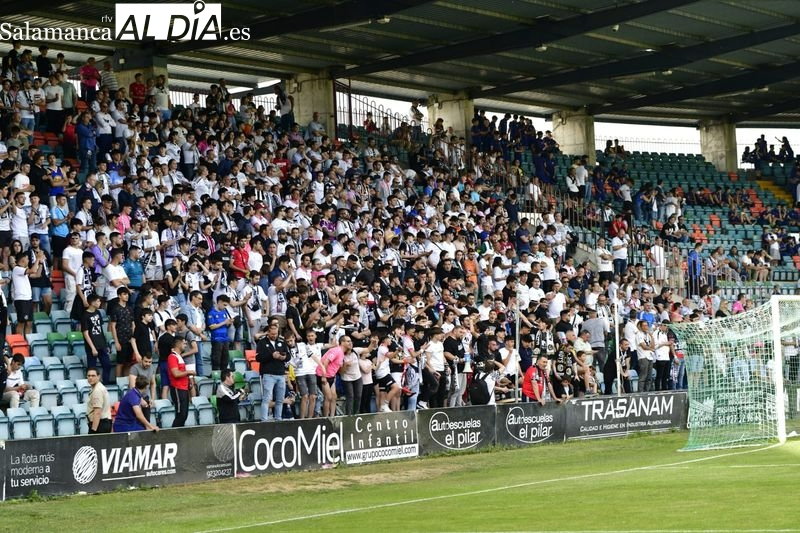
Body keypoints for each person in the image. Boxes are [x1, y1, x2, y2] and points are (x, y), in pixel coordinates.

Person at [258, 322, 289, 421]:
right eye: (272, 334)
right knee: (267, 398)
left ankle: (278, 419)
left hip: (281, 374)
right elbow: (258, 358)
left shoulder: (282, 342)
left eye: (276, 334)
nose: (274, 336)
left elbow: (288, 356)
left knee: (280, 399)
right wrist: (271, 356)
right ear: (268, 332)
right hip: (268, 374)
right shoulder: (262, 342)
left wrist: (283, 357)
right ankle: (264, 420)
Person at [81, 293, 113, 384]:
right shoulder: (85, 315)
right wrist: (92, 348)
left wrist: (105, 344)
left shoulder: (98, 312)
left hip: (101, 344)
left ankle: (105, 384)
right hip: (92, 346)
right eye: (98, 301)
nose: (100, 303)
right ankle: (92, 385)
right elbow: (85, 333)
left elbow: (101, 329)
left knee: (107, 364)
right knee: (92, 368)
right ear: (92, 302)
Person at [167, 334, 194, 427]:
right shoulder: (172, 357)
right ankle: (174, 433)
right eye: (184, 343)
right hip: (177, 388)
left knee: (184, 414)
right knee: (181, 414)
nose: (185, 345)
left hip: (183, 388)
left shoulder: (179, 357)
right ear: (178, 344)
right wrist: (188, 372)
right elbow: (176, 373)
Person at [207, 294, 232, 372]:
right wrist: (224, 322)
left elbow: (225, 325)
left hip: (225, 338)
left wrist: (229, 323)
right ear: (219, 302)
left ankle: (224, 375)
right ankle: (216, 375)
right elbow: (211, 326)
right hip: (217, 339)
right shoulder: (211, 313)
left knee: (225, 360)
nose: (225, 307)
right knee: (216, 360)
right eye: (224, 305)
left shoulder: (224, 312)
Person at [128, 353, 157, 422]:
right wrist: (140, 400)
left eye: (150, 362)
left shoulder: (152, 367)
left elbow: (153, 383)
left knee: (147, 420)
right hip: (135, 398)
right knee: (137, 420)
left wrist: (152, 399)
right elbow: (132, 387)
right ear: (141, 360)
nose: (148, 364)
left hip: (145, 397)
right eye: (146, 361)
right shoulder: (134, 368)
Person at [86, 367, 112, 434]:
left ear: (98, 377)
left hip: (99, 424)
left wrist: (93, 430)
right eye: (89, 376)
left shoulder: (97, 390)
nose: (90, 378)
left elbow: (97, 411)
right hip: (104, 422)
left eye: (93, 376)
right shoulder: (101, 387)